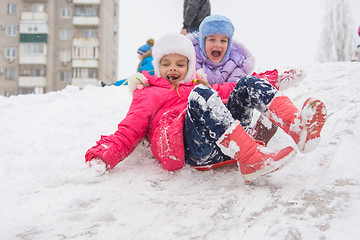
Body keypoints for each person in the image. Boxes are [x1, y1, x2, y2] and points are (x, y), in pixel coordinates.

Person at [85, 33, 327, 183]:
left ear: (189, 66)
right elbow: (128, 131)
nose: (173, 69)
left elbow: (233, 89)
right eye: (166, 63)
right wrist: (101, 157)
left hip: (223, 145)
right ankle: (252, 159)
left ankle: (297, 128)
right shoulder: (147, 94)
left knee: (244, 83)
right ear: (157, 66)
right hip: (191, 149)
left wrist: (275, 77)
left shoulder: (195, 85)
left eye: (180, 64)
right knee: (202, 94)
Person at [189, 15, 305, 145]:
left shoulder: (237, 62)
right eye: (212, 39)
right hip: (202, 122)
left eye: (223, 40)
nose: (218, 44)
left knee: (249, 84)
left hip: (230, 116)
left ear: (229, 43)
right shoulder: (189, 61)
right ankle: (250, 137)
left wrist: (269, 79)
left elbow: (241, 90)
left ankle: (296, 125)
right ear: (202, 41)